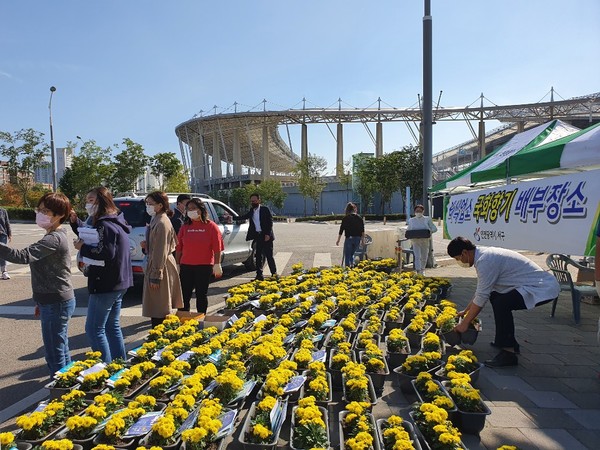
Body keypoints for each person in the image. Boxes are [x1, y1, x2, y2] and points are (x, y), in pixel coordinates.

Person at [447, 237, 560, 367]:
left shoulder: (485, 260)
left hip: (540, 287)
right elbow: (482, 291)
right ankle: (505, 340)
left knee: (502, 303)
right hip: (528, 285)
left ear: (465, 253)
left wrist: (465, 323)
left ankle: (509, 353)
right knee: (496, 297)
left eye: (458, 258)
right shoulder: (483, 257)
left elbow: (482, 296)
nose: (459, 262)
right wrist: (465, 311)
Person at [0, 193, 75, 375]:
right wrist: (39, 300)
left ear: (59, 215)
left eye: (46, 211)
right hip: (52, 299)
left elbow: (23, 256)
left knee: (54, 352)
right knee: (60, 347)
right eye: (39, 209)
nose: (40, 213)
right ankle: (67, 386)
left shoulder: (54, 239)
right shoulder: (53, 235)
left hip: (56, 301)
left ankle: (60, 393)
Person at [72, 187, 133, 363]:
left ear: (101, 201)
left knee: (94, 329)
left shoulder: (105, 224)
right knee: (111, 326)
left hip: (105, 283)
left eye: (91, 200)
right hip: (119, 282)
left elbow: (105, 252)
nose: (87, 204)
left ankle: (105, 370)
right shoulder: (115, 220)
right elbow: (91, 235)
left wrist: (82, 247)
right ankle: (118, 365)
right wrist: (76, 223)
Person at [141, 191, 183, 327]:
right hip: (157, 264)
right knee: (158, 307)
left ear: (160, 205)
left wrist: (156, 275)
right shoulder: (156, 219)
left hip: (161, 266)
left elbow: (160, 251)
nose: (148, 206)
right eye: (146, 203)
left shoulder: (162, 223)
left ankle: (161, 339)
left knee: (160, 308)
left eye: (150, 204)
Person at [175, 198, 224, 314]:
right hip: (186, 265)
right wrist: (177, 263)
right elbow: (178, 248)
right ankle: (183, 318)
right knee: (184, 294)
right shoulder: (185, 227)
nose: (190, 211)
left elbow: (217, 248)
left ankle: (201, 317)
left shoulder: (211, 226)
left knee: (201, 294)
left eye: (194, 208)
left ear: (201, 210)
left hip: (204, 266)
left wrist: (217, 264)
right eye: (189, 209)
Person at [240, 193, 277, 281]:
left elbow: (270, 222)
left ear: (259, 200)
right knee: (258, 256)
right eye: (252, 201)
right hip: (258, 236)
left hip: (266, 236)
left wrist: (268, 234)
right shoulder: (252, 210)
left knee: (269, 255)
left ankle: (274, 274)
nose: (253, 202)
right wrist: (232, 218)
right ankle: (259, 275)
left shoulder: (265, 209)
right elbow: (244, 217)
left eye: (255, 201)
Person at [406, 204, 438, 275]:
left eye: (420, 211)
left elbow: (434, 228)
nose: (418, 212)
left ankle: (422, 270)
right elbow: (408, 230)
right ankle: (418, 271)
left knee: (424, 256)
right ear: (414, 212)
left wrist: (429, 231)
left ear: (423, 211)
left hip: (425, 240)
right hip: (415, 241)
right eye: (417, 211)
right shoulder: (411, 220)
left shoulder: (427, 219)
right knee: (417, 256)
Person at [336, 202, 365, 267]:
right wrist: (362, 240)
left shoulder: (345, 218)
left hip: (349, 238)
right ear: (354, 209)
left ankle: (347, 268)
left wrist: (338, 240)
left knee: (347, 255)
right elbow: (362, 230)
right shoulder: (359, 218)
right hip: (357, 238)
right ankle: (352, 265)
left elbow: (341, 230)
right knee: (352, 254)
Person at [0, 206, 12, 279]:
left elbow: (7, 222)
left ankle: (4, 271)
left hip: (3, 235)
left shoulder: (3, 211)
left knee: (3, 252)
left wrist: (9, 234)